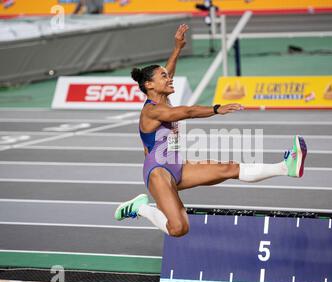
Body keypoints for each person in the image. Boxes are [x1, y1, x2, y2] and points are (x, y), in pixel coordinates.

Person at [114, 24, 307, 237]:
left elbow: (168, 71)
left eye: (168, 75)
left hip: (177, 166)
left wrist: (177, 48)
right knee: (178, 228)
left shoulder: (162, 97)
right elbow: (187, 111)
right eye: (163, 77)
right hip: (158, 171)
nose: (169, 78)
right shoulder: (152, 112)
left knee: (228, 169)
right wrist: (216, 109)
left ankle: (285, 167)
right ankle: (140, 207)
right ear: (149, 85)